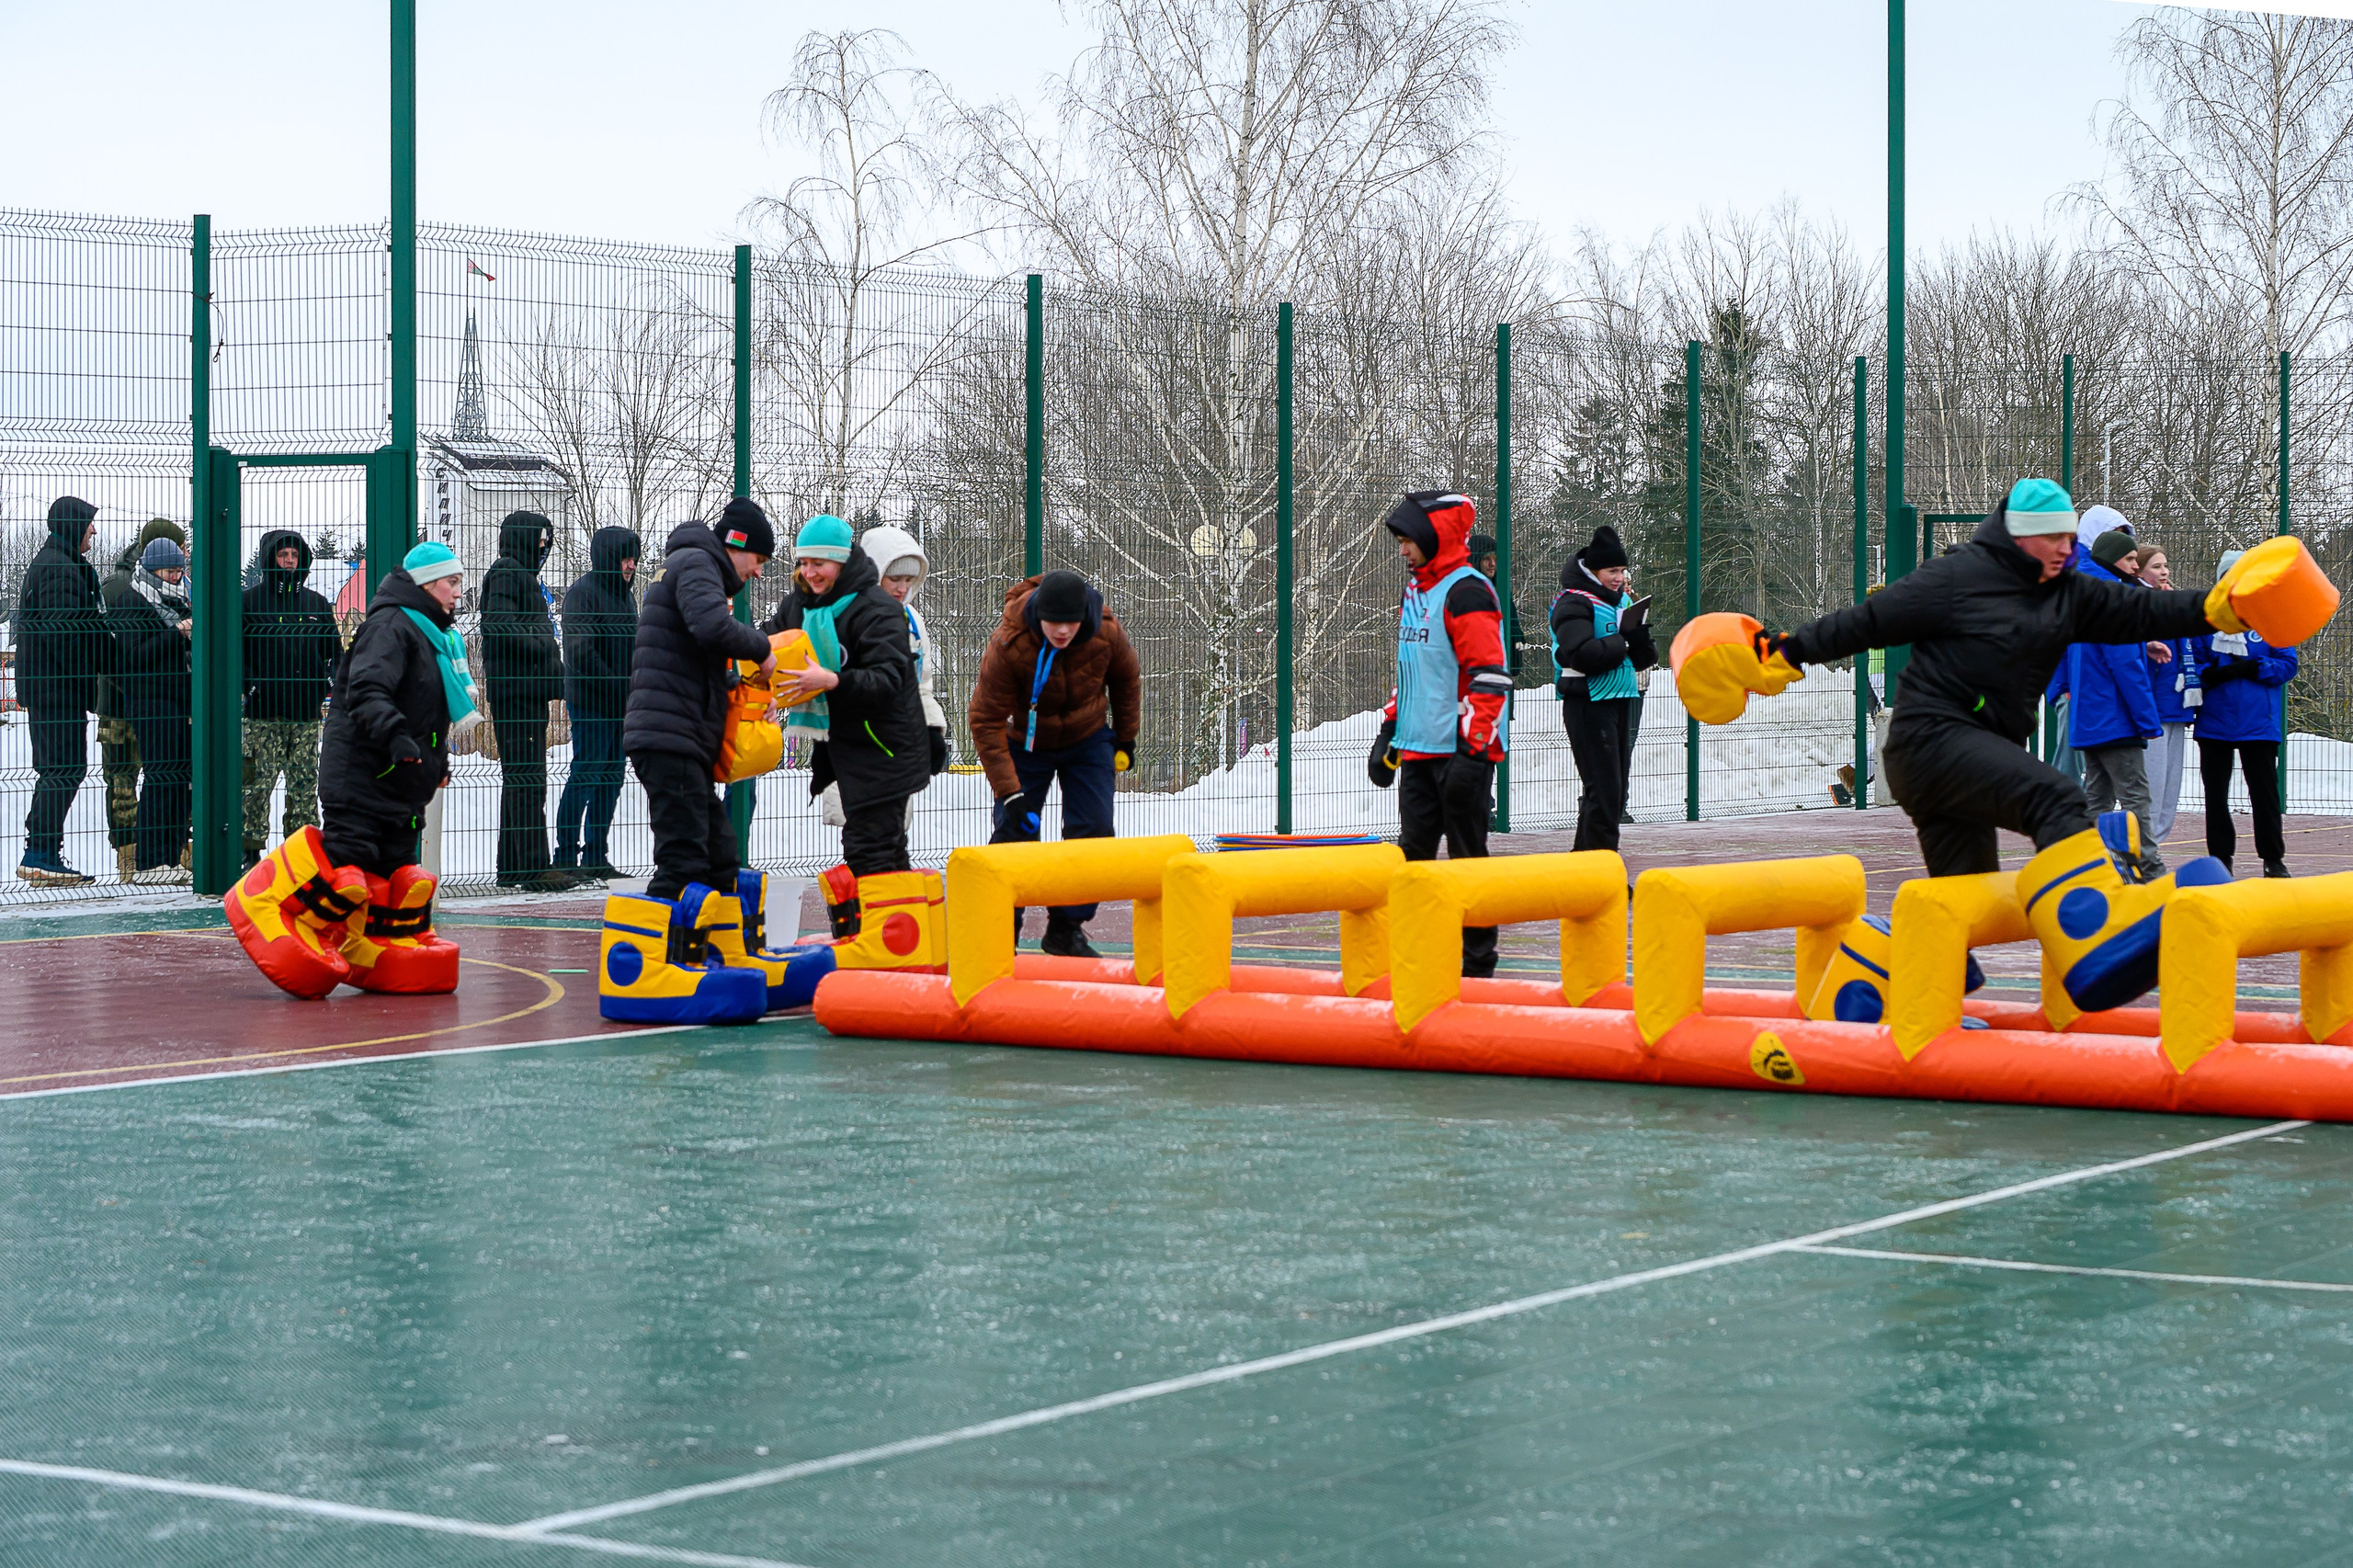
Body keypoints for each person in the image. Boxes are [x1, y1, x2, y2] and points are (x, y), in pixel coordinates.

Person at [1732, 479, 2250, 1021]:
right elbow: (1865, 623)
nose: (2064, 548)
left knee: (1964, 895)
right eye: (2052, 537)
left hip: (1969, 753)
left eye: (2070, 537)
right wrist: (1782, 652)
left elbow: (2147, 613)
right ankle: (2093, 937)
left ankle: (1912, 997)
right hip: (1930, 741)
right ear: (2020, 537)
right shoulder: (1959, 576)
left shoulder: (2068, 593)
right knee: (2057, 798)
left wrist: (2223, 607)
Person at [233, 541, 471, 999]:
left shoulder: (436, 637)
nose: (458, 592)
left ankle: (382, 940)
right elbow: (366, 689)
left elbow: (431, 714)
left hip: (401, 784)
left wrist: (434, 762)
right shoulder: (391, 627)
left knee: (398, 869)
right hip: (364, 775)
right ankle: (270, 899)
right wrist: (397, 737)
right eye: (452, 582)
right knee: (349, 860)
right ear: (426, 584)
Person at [602, 500, 786, 1023]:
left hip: (679, 736)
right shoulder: (697, 564)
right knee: (683, 857)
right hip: (668, 737)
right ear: (739, 545)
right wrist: (761, 650)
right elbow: (709, 628)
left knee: (721, 853)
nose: (755, 573)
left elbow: (695, 655)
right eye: (758, 561)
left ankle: (717, 952)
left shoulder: (695, 569)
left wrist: (738, 687)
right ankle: (640, 965)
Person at [766, 516, 938, 949]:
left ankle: (882, 947)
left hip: (886, 747)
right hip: (847, 747)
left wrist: (833, 681)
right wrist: (765, 689)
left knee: (870, 849)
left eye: (820, 563)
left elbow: (889, 680)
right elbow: (770, 645)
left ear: (842, 563)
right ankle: (904, 942)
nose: (810, 572)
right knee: (884, 848)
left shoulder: (878, 609)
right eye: (804, 562)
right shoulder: (800, 606)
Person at [1366, 490, 1510, 978]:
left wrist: (1473, 754)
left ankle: (1477, 965)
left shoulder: (1466, 591)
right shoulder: (1417, 590)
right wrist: (1390, 729)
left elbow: (1491, 677)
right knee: (1414, 860)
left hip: (1462, 752)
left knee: (1468, 860)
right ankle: (1418, 958)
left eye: (1409, 541)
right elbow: (1413, 670)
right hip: (1419, 751)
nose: (1402, 551)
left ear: (1434, 538)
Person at [967, 566, 1142, 960]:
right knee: (1016, 833)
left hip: (1088, 736)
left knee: (1094, 829)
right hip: (1026, 743)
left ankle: (1066, 928)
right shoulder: (1009, 643)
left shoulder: (1105, 633)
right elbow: (984, 719)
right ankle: (1000, 931)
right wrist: (1009, 792)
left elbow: (1127, 681)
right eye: (1053, 622)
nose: (1062, 631)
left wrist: (1126, 738)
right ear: (1038, 616)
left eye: (1071, 623)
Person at [816, 524, 949, 829]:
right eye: (894, 579)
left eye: (909, 580)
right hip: (857, 743)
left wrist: (932, 730)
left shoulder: (913, 621)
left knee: (893, 834)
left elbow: (922, 685)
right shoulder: (843, 616)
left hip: (899, 742)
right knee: (862, 834)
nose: (902, 588)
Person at [480, 509, 577, 891]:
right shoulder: (508, 572)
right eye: (538, 538)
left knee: (519, 781)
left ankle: (513, 867)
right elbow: (499, 625)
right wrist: (543, 645)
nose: (543, 546)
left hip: (523, 692)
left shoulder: (519, 575)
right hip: (517, 694)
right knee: (528, 781)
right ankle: (535, 868)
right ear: (520, 537)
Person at [2062, 528, 2165, 873]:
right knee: (2135, 797)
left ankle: (2093, 867)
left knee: (2098, 798)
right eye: (2131, 559)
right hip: (2115, 718)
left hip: (2089, 718)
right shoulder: (2115, 598)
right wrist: (2148, 720)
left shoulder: (2083, 595)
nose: (2136, 566)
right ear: (2112, 561)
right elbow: (2126, 667)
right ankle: (2149, 870)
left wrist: (2142, 644)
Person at [16, 495, 108, 885]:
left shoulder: (62, 564)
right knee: (61, 768)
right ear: (74, 525)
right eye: (89, 525)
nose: (94, 532)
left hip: (53, 687)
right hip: (56, 690)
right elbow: (67, 635)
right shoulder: (58, 569)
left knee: (62, 768)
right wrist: (90, 683)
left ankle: (43, 850)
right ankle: (39, 852)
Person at [2190, 547, 2298, 879]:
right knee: (2216, 798)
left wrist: (2256, 667)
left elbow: (2287, 664)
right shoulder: (2206, 619)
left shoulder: (2270, 617)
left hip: (2258, 725)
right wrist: (2211, 673)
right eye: (2228, 579)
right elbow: (2194, 662)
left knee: (2264, 796)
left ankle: (2273, 859)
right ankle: (2221, 860)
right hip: (2214, 724)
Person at [240, 529, 344, 869]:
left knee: (303, 789)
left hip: (306, 716)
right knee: (255, 786)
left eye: (294, 557)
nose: (288, 562)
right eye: (283, 556)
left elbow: (335, 654)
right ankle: (248, 855)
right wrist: (250, 687)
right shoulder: (248, 603)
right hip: (262, 716)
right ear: (270, 559)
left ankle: (301, 859)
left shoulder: (316, 605)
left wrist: (330, 684)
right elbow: (234, 655)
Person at [1549, 525, 1655, 852]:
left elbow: (1643, 658)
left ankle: (1587, 870)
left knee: (1614, 792)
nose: (1619, 577)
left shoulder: (1623, 601)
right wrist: (1623, 641)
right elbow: (1579, 654)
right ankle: (1597, 872)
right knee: (1604, 790)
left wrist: (1638, 640)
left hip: (1622, 698)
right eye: (1612, 571)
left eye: (1622, 570)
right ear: (1593, 571)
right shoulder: (1573, 603)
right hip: (1588, 704)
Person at [98, 517, 188, 881]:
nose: (176, 577)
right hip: (148, 701)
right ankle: (148, 858)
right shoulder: (130, 598)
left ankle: (173, 851)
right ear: (152, 568)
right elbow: (132, 657)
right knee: (154, 776)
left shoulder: (182, 597)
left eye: (180, 569)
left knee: (179, 777)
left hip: (179, 699)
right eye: (169, 570)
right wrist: (178, 633)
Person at [555, 526, 640, 877]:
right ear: (608, 557)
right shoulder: (582, 594)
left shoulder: (625, 597)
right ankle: (566, 857)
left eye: (634, 558)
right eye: (625, 557)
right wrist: (619, 685)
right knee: (586, 773)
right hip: (591, 702)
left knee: (612, 776)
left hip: (620, 703)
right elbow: (581, 653)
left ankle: (595, 856)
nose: (631, 565)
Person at [2138, 545, 2195, 851]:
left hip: (2177, 708)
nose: (2165, 572)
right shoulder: (2139, 605)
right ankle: (2140, 849)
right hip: (2152, 711)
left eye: (2166, 566)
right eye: (2157, 566)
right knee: (2151, 786)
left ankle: (2153, 847)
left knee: (2170, 788)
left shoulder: (2171, 605)